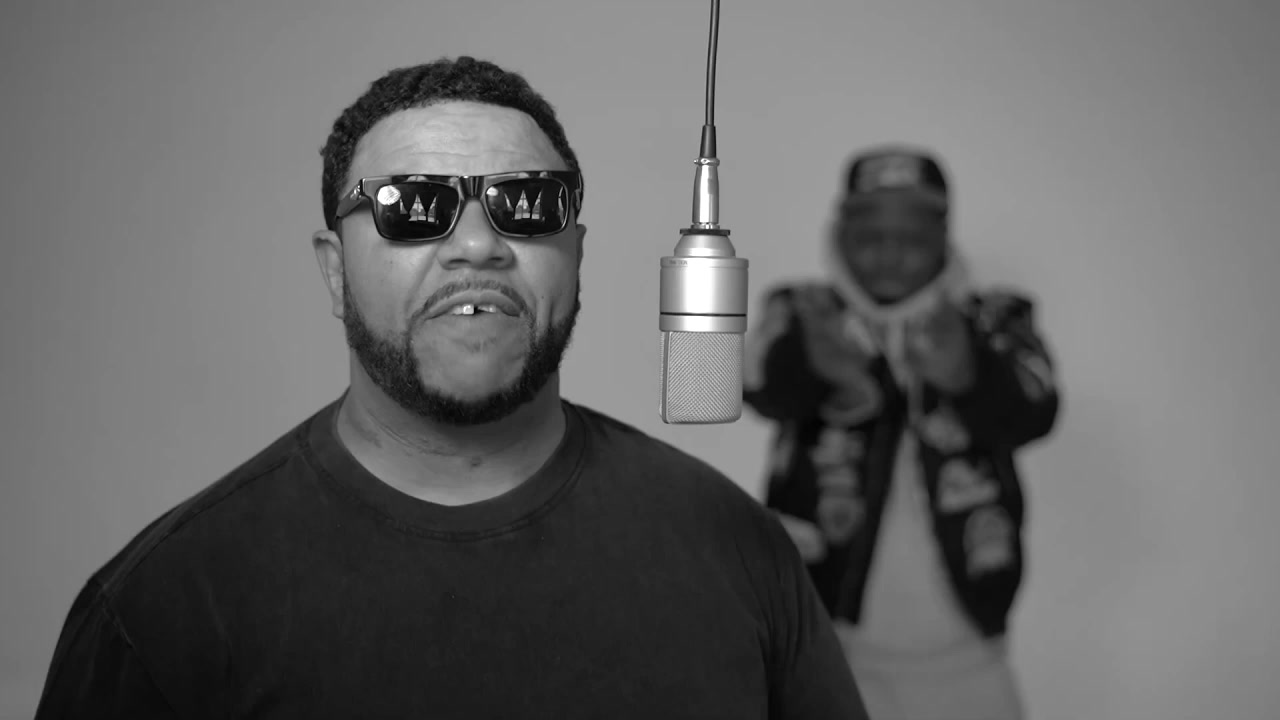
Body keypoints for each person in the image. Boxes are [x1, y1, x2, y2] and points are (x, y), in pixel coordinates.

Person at [34, 57, 868, 719]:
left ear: (576, 256)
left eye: (526, 204)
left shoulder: (738, 548)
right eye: (412, 206)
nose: (477, 245)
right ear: (335, 271)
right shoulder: (164, 607)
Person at [743, 145, 1060, 720]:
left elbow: (1036, 411)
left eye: (911, 238)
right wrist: (812, 364)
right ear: (840, 233)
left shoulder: (994, 319)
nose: (889, 254)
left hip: (971, 656)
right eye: (870, 237)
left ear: (944, 237)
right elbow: (758, 386)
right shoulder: (803, 311)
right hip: (827, 651)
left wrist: (967, 372)